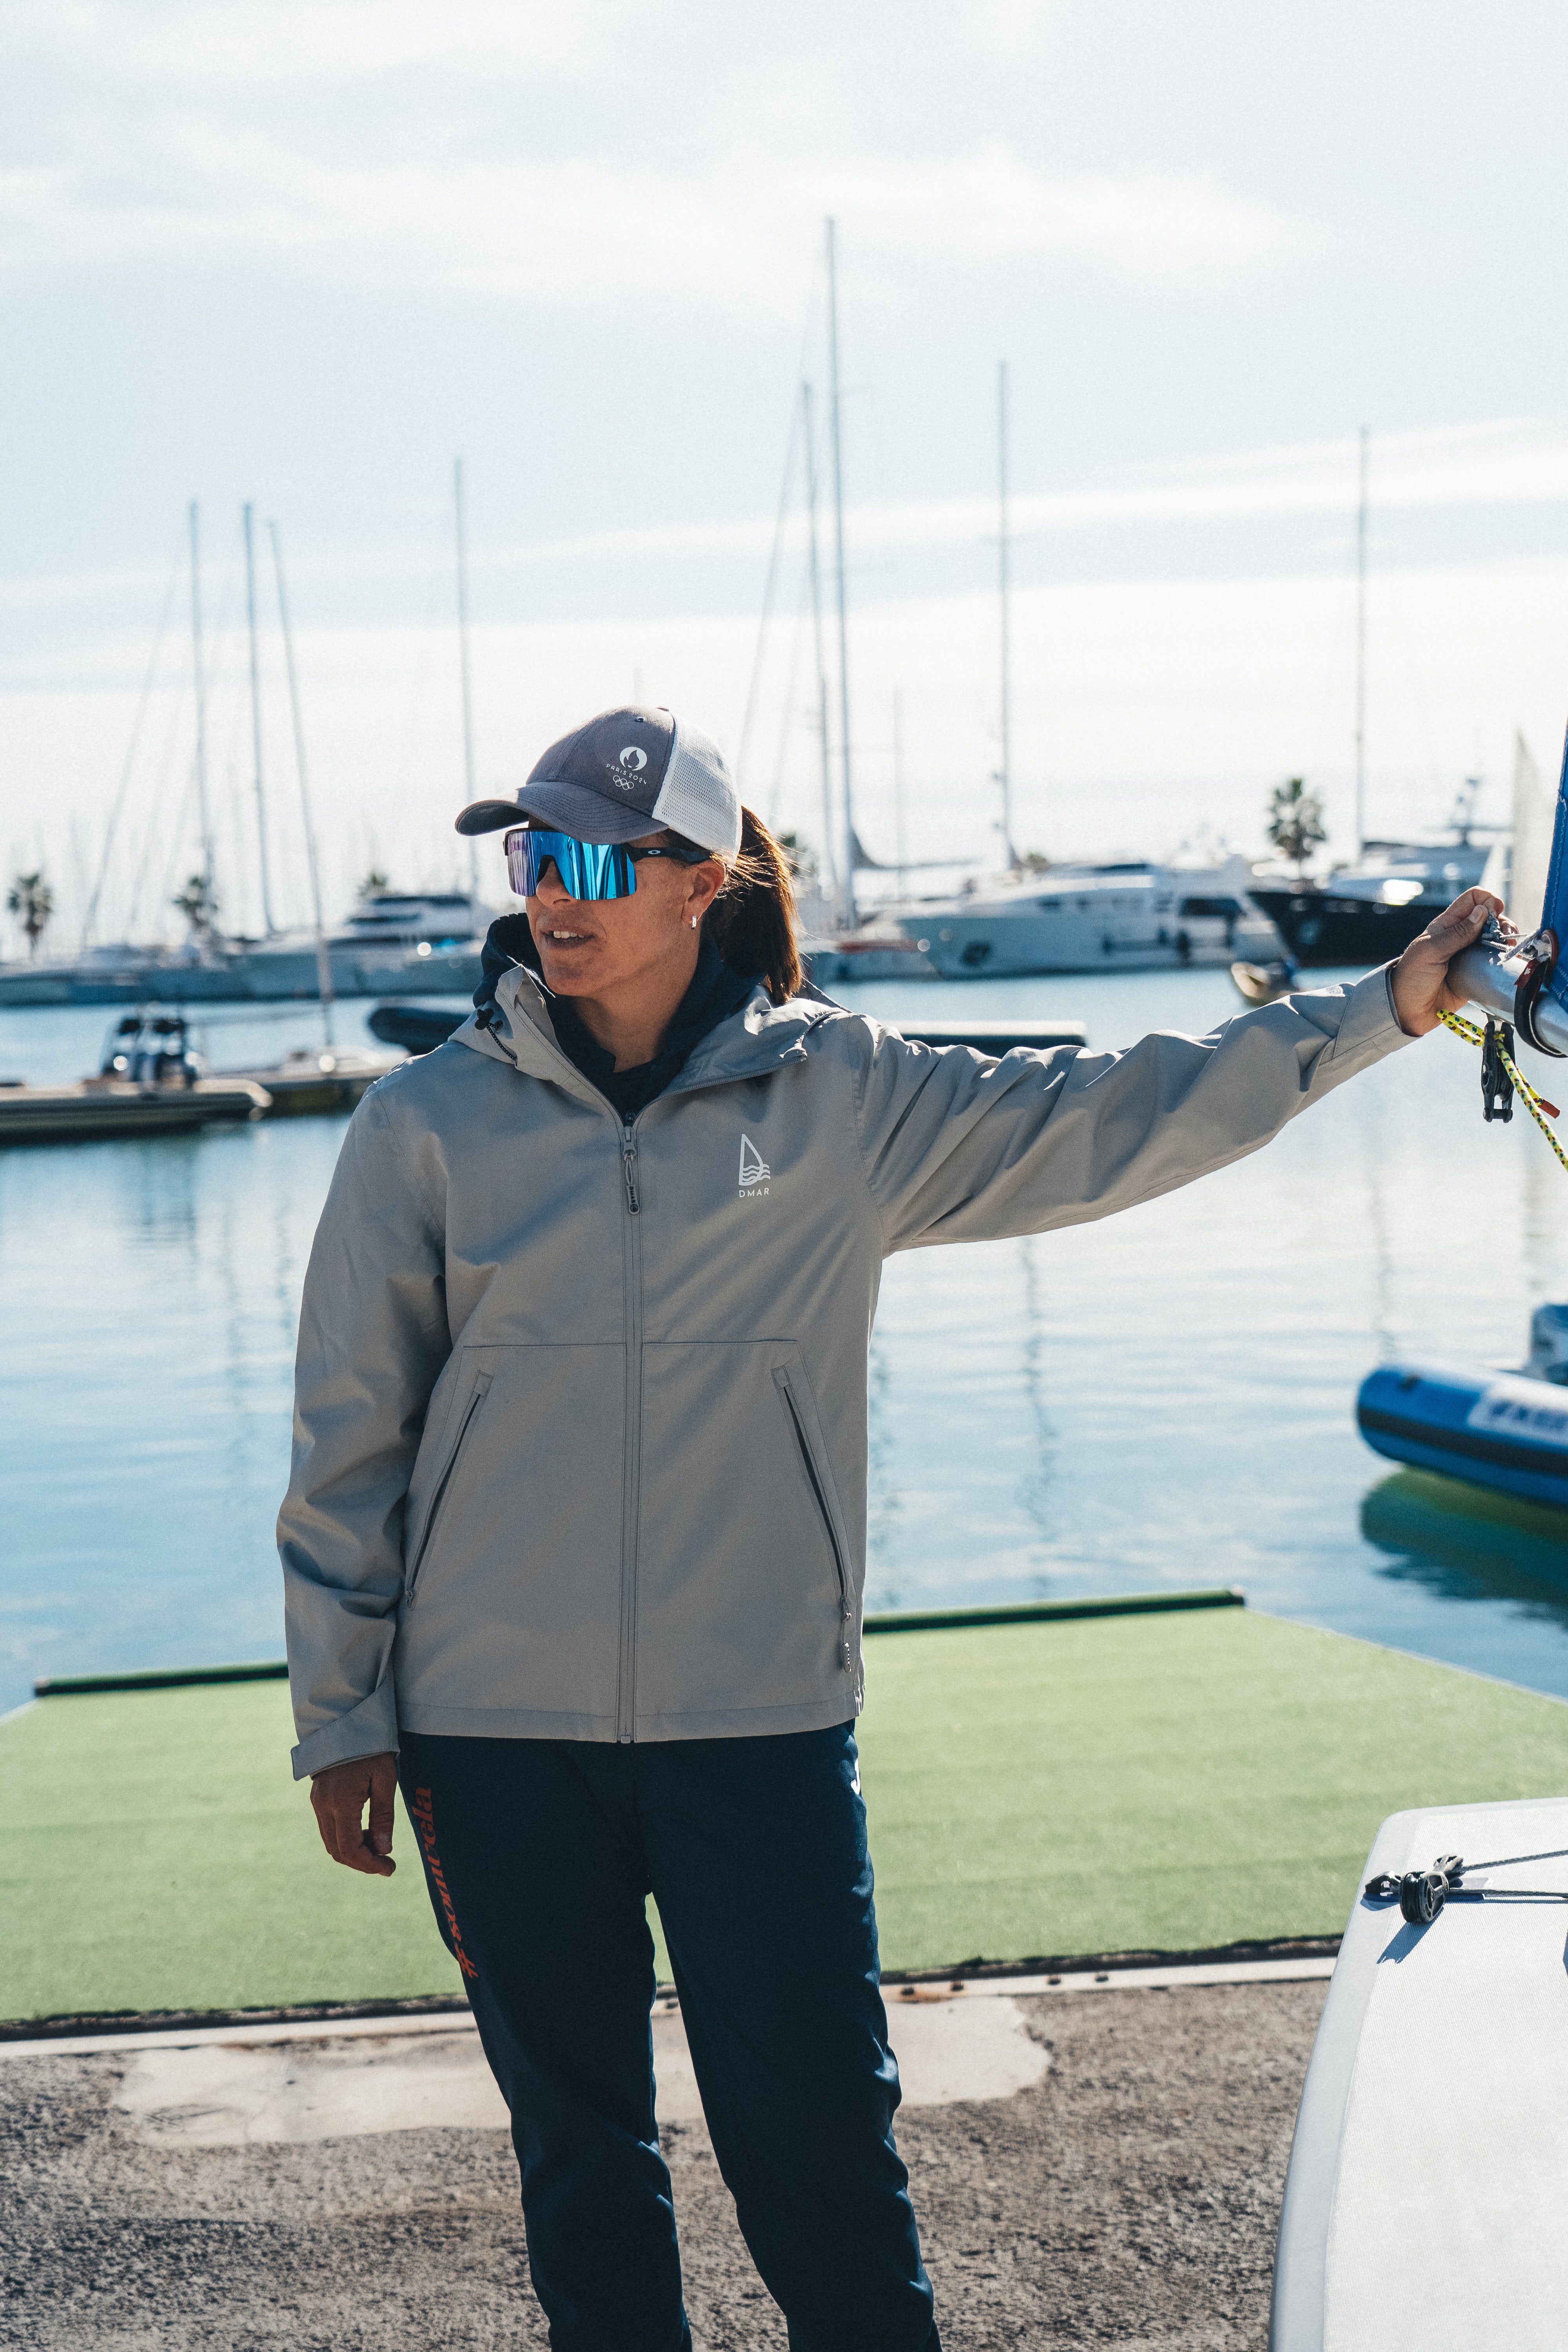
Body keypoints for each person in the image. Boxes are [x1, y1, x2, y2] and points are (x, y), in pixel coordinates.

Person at [281, 704, 1502, 2352]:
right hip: (493, 1738)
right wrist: (343, 1712)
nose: (552, 894)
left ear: (700, 881)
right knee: (580, 2165)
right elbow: (351, 1434)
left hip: (758, 1726)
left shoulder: (842, 1096)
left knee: (824, 2167)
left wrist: (1376, 1014)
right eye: (532, 858)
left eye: (593, 862)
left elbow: (1114, 1108)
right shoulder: (427, 1123)